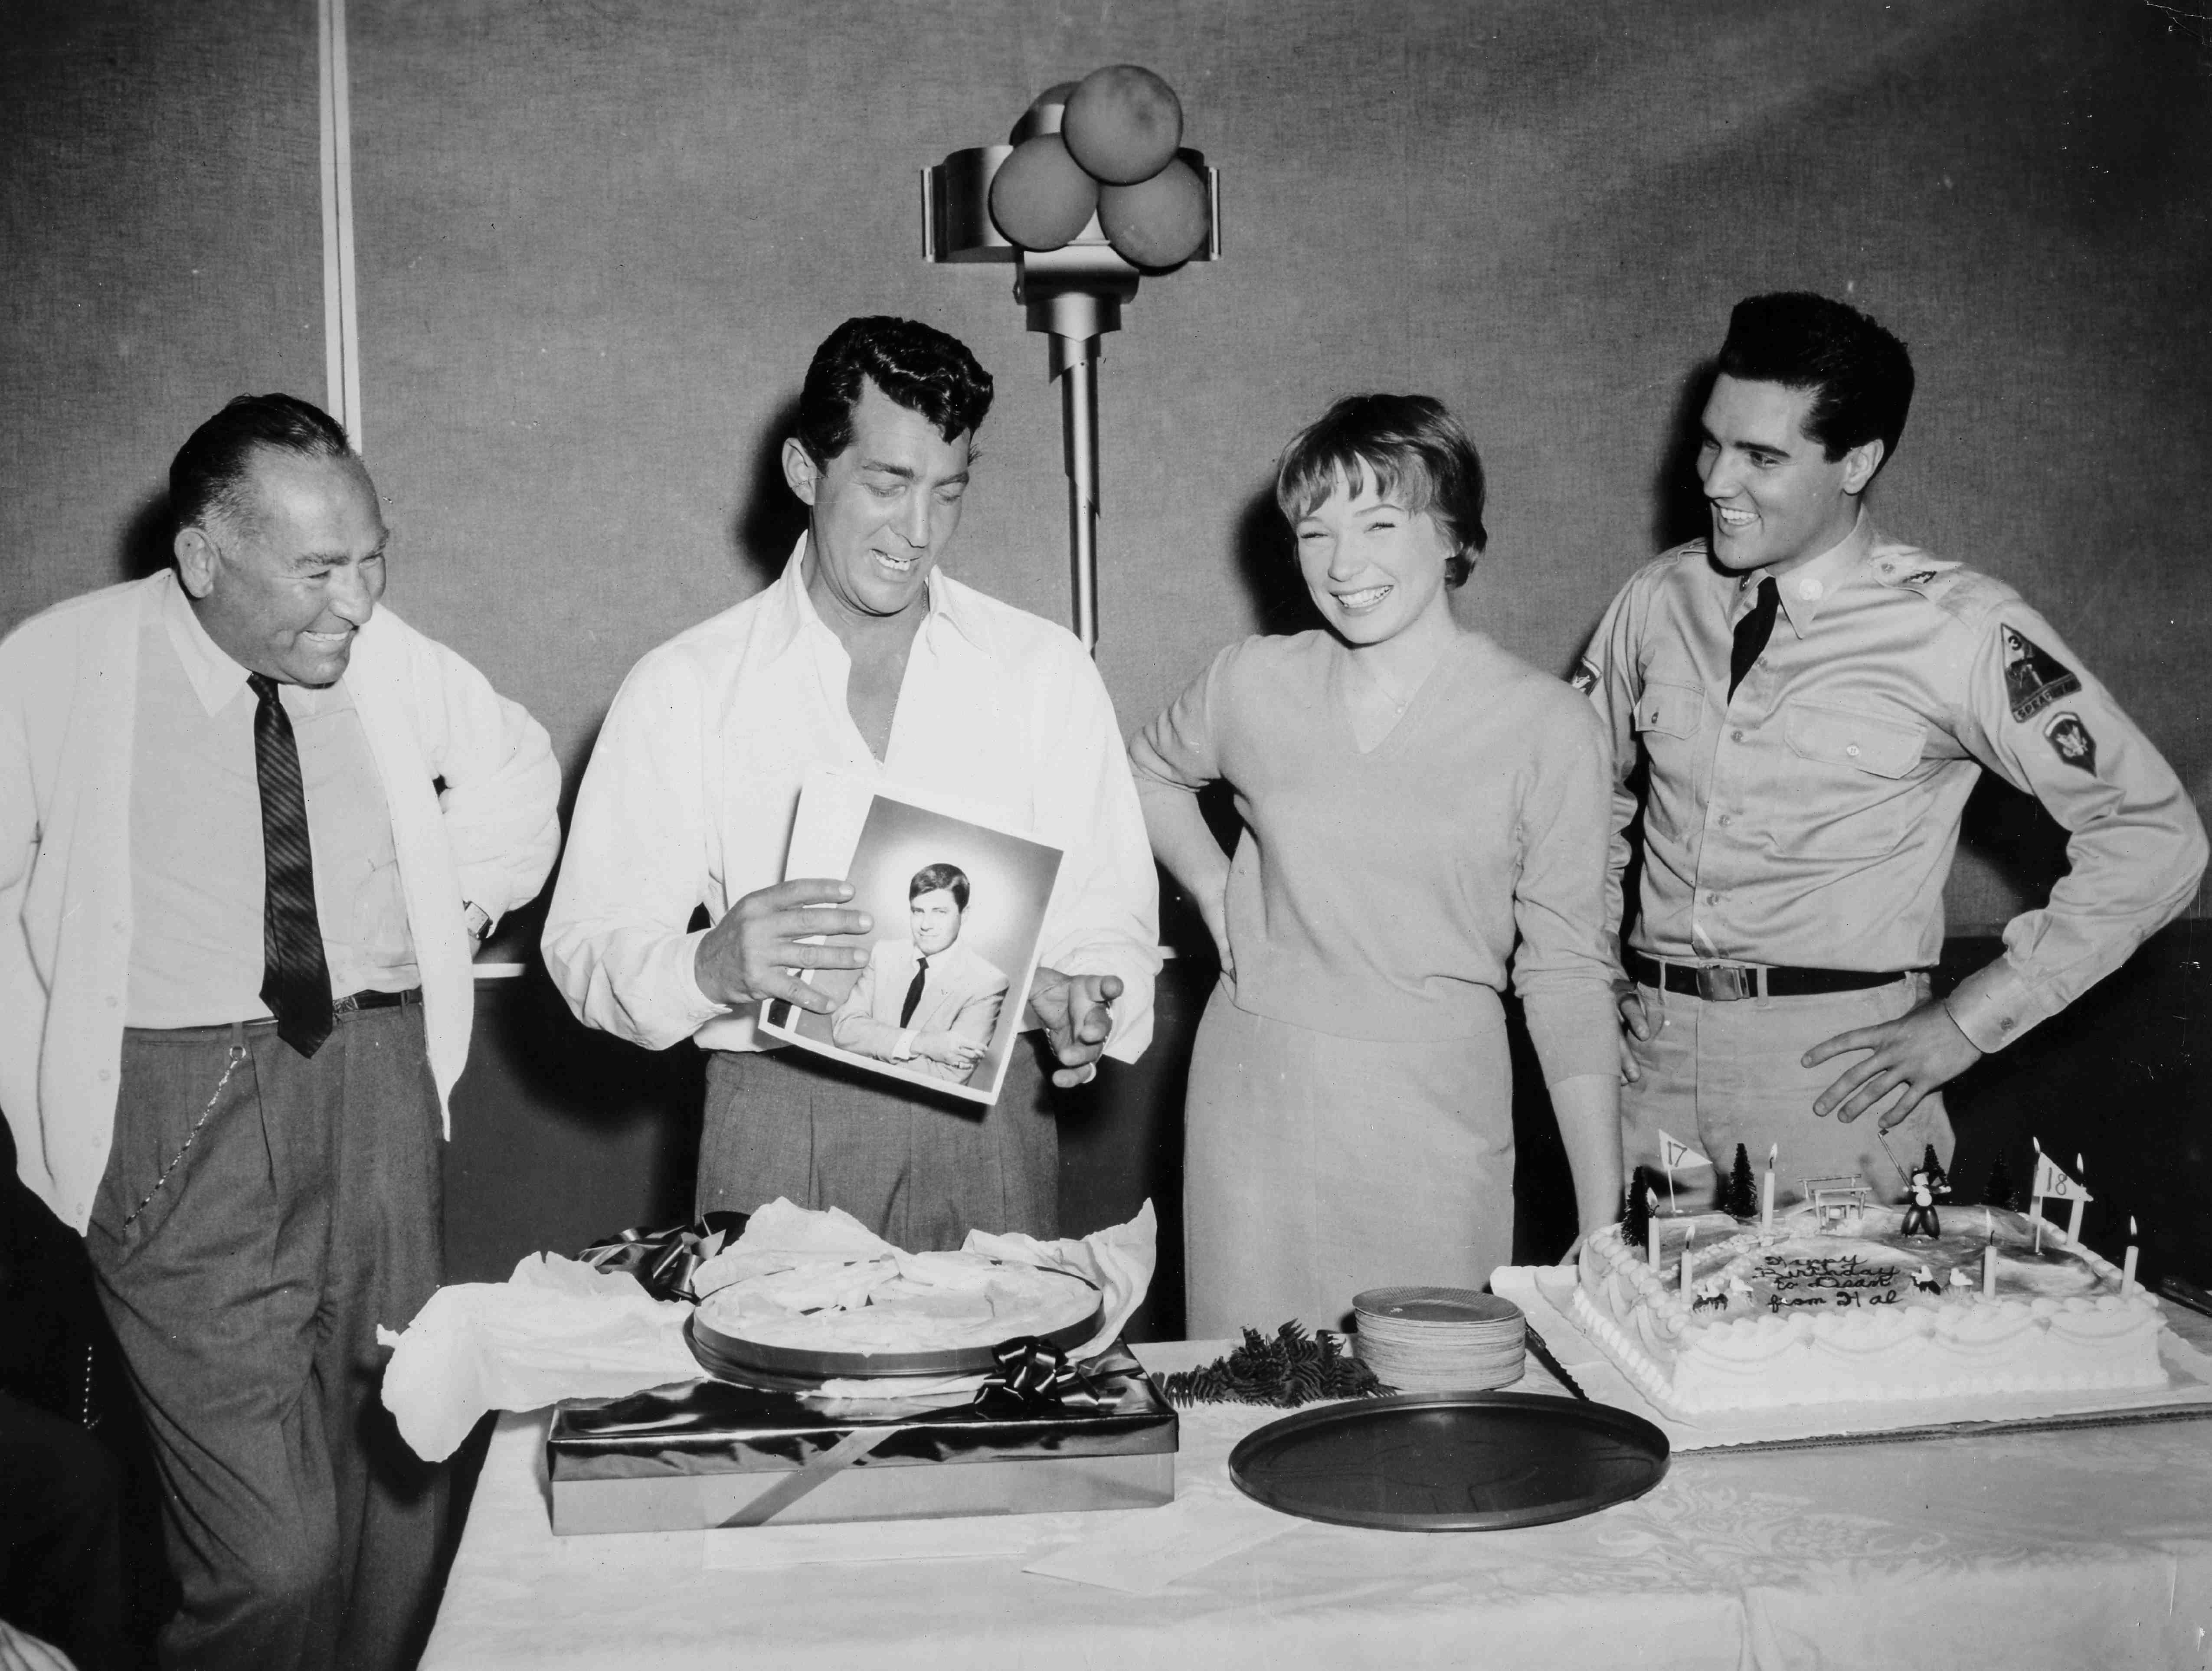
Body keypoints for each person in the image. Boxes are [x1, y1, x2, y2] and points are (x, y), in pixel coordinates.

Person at [0, 394, 562, 1671]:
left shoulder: (388, 653)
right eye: (317, 570)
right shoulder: (55, 666)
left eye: (374, 559)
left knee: (397, 1471)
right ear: (202, 557)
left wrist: (448, 906)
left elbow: (518, 773)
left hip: (375, 1083)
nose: (356, 602)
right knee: (271, 1557)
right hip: (174, 1100)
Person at [543, 316, 1158, 1250]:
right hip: (778, 1126)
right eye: (887, 484)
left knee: (991, 1397)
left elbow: (1106, 913)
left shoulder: (1044, 670)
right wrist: (709, 965)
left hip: (993, 1130)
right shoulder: (689, 685)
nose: (919, 533)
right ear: (804, 471)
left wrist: (1081, 999)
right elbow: (588, 946)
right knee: (780, 1401)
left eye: (948, 493)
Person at [1580, 292, 2206, 1202]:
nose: (1716, 480)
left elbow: (2155, 839)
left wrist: (1969, 1020)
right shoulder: (1657, 600)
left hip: (1836, 1080)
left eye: (1762, 457)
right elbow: (1580, 797)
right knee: (1625, 1334)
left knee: (1838, 1339)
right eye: (1712, 442)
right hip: (1645, 1067)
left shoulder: (1960, 629)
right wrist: (1590, 972)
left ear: (1858, 462)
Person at [1130, 394, 1622, 1335]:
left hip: (1434, 1115)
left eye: (1381, 523)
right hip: (1255, 1098)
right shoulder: (1252, 681)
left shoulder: (1548, 726)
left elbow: (1566, 971)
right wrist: (1211, 891)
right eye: (1316, 533)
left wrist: (1601, 1217)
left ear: (1452, 536)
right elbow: (1144, 772)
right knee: (1248, 1407)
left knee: (1423, 1412)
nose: (1344, 564)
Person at [830, 863, 1008, 1085]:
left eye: (940, 912)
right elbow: (844, 1030)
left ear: (964, 915)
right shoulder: (885, 952)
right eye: (918, 911)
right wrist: (922, 1043)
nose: (925, 925)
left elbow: (950, 1078)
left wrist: (873, 1045)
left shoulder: (988, 982)